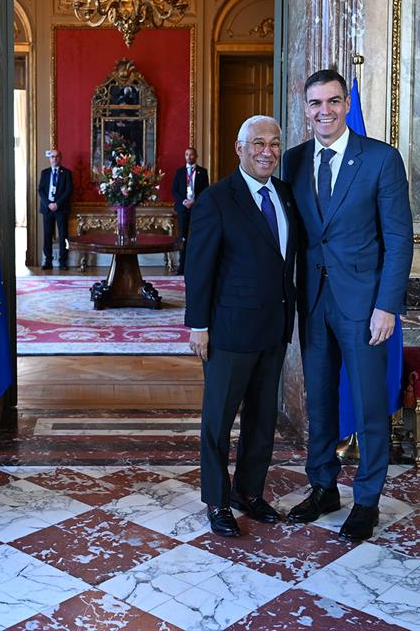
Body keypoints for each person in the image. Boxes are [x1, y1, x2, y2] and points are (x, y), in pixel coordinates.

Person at [282, 69, 414, 541]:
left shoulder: (380, 159)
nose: (325, 111)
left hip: (364, 307)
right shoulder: (293, 162)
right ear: (306, 108)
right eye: (315, 104)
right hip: (312, 303)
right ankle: (322, 487)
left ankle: (367, 500)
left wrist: (387, 306)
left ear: (345, 104)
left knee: (369, 404)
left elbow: (398, 239)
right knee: (319, 401)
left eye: (334, 102)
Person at [184, 116, 298, 537]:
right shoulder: (216, 199)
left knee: (261, 419)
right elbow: (199, 269)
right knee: (218, 421)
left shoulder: (285, 195)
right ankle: (217, 500)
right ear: (240, 148)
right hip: (228, 331)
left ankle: (249, 492)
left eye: (273, 143)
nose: (266, 151)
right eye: (257, 143)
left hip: (273, 328)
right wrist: (198, 326)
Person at [171, 147, 210, 275]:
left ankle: (195, 266)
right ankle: (181, 266)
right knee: (183, 237)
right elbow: (174, 190)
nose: (189, 157)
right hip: (183, 208)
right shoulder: (180, 172)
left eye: (191, 154)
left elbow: (206, 190)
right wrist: (184, 201)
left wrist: (195, 201)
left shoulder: (202, 172)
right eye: (187, 154)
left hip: (196, 208)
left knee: (196, 237)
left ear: (196, 156)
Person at [38, 149, 73, 270]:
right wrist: (49, 204)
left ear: (60, 158)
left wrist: (57, 204)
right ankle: (48, 261)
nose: (55, 159)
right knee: (47, 235)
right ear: (49, 159)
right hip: (47, 209)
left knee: (64, 235)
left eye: (57, 156)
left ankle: (63, 261)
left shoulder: (67, 173)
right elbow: (41, 190)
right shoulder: (45, 173)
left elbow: (68, 191)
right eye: (52, 156)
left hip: (61, 208)